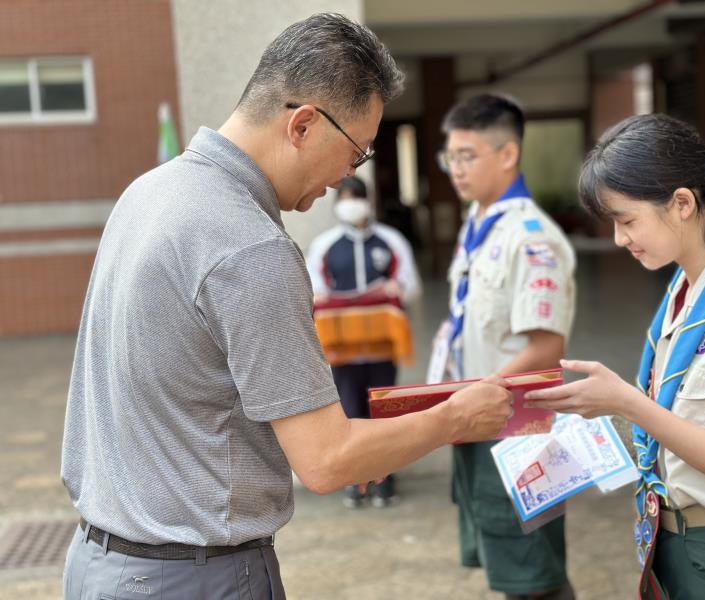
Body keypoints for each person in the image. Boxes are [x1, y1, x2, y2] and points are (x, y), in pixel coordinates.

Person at [60, 14, 513, 600]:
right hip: (194, 576)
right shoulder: (249, 246)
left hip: (100, 563)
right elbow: (327, 460)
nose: (347, 177)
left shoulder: (150, 191)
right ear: (302, 124)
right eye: (356, 153)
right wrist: (456, 417)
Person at [525, 113, 705, 599]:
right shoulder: (684, 289)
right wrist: (603, 412)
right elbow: (682, 420)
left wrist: (629, 404)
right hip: (676, 543)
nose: (618, 239)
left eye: (626, 220)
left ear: (682, 204)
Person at [437, 94, 577, 600]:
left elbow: (546, 346)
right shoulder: (479, 225)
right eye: (449, 157)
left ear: (508, 154)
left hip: (518, 427)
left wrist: (475, 398)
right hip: (479, 419)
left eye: (466, 155)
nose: (456, 168)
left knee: (533, 576)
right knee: (506, 565)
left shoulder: (530, 236)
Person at [306, 174, 422, 508]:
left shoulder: (391, 241)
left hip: (382, 346)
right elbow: (314, 293)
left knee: (383, 413)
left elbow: (411, 286)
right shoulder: (324, 246)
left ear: (368, 201)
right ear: (337, 205)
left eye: (356, 196)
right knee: (350, 413)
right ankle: (356, 482)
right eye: (344, 198)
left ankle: (385, 480)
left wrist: (390, 291)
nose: (351, 203)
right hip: (342, 350)